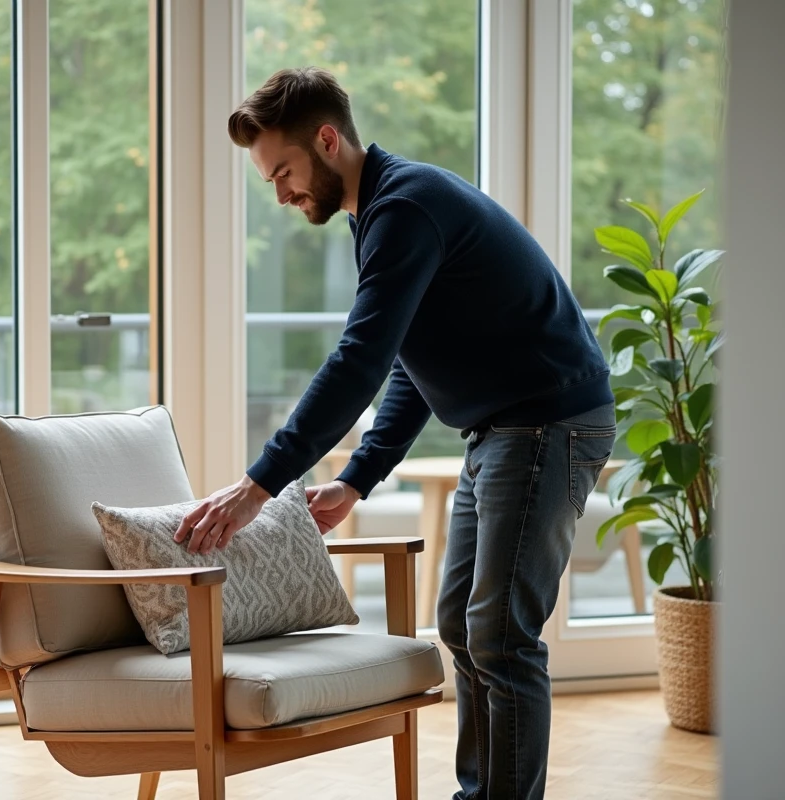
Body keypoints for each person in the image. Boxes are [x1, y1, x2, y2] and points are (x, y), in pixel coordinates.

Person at [174, 66, 616, 800]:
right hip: (505, 429)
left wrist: (261, 484)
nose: (280, 192)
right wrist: (358, 477)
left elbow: (361, 360)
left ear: (326, 139)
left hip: (547, 423)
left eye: (282, 171)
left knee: (501, 633)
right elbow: (411, 360)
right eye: (269, 180)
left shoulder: (405, 207)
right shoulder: (379, 209)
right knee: (461, 623)